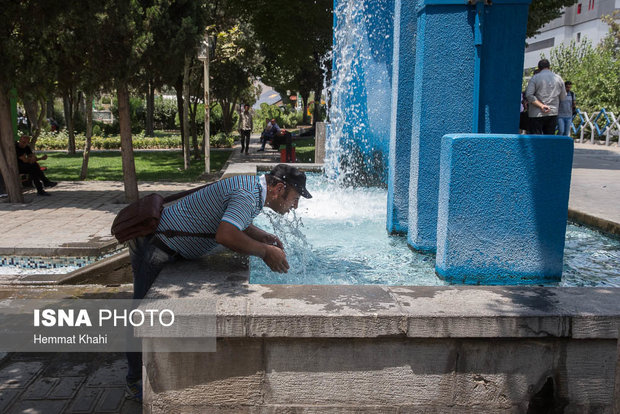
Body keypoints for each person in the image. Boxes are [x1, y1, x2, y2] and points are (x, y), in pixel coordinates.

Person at [124, 164, 312, 402]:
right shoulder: (248, 195)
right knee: (140, 314)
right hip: (155, 247)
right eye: (295, 198)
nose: (295, 206)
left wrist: (260, 235)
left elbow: (233, 219)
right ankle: (134, 380)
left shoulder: (250, 188)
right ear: (278, 188)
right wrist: (265, 251)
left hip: (161, 243)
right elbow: (225, 234)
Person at [525, 59, 567, 135]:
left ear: (538, 68)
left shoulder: (535, 78)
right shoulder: (558, 78)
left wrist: (541, 105)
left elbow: (529, 95)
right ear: (549, 67)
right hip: (552, 112)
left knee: (536, 139)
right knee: (549, 139)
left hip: (536, 113)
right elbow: (563, 97)